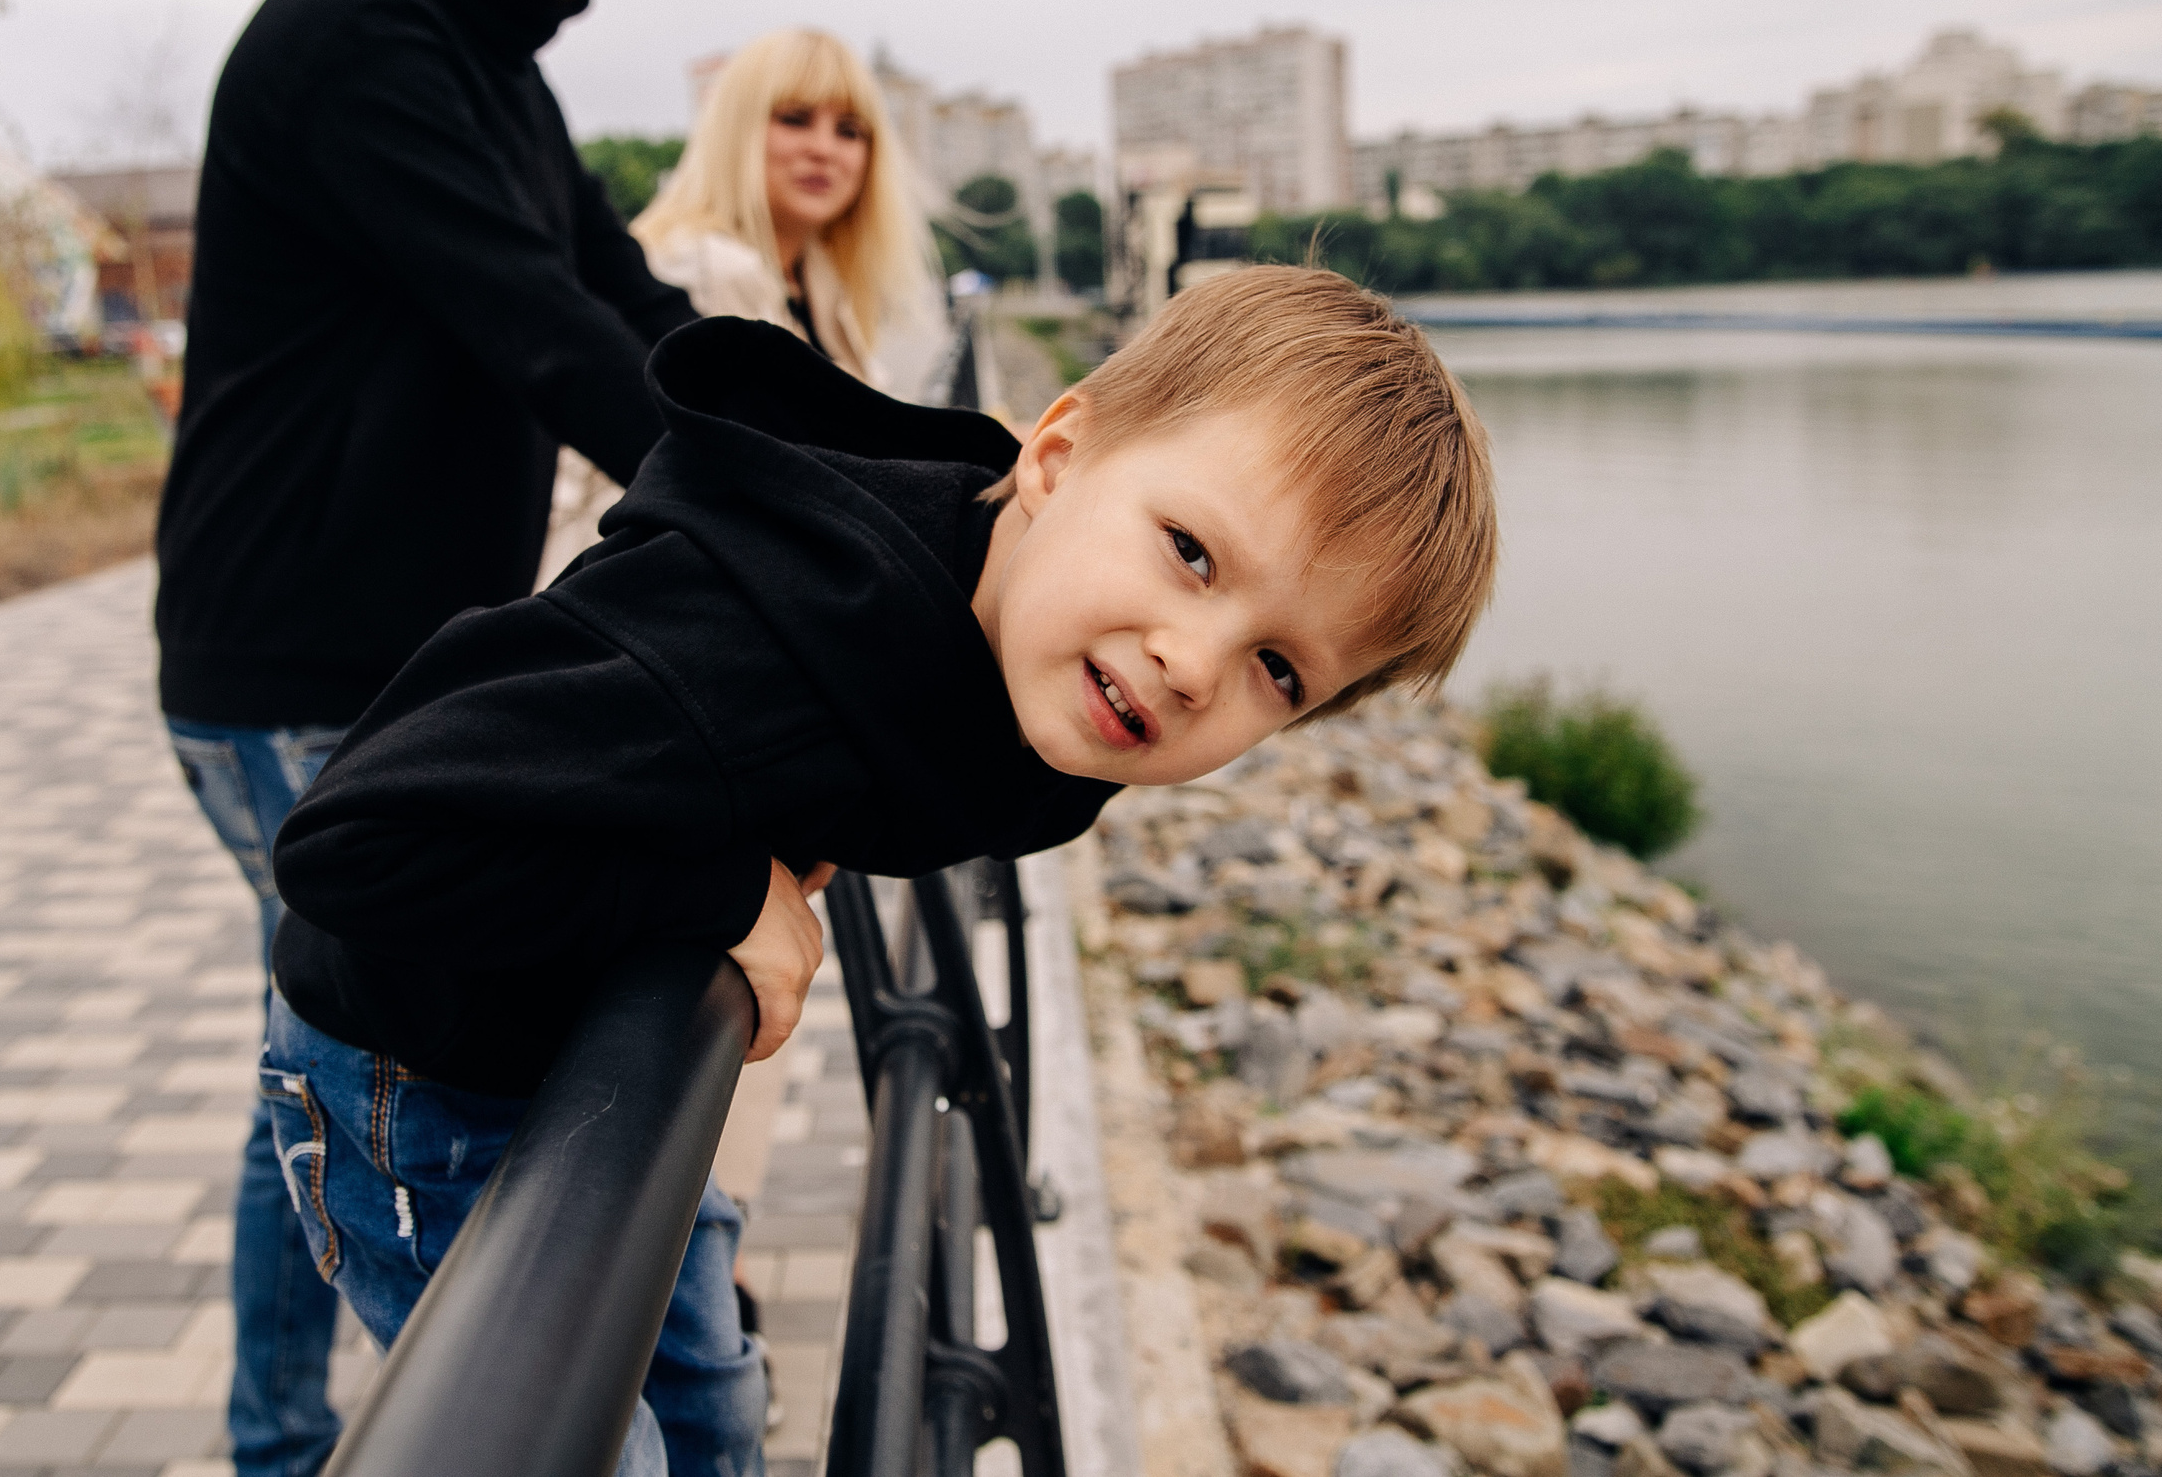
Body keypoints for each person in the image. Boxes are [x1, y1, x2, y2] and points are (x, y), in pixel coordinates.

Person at [263, 265, 1500, 1473]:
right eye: (1190, 551)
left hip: (580, 1042)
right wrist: (704, 891)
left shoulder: (1040, 667)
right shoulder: (738, 640)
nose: (1192, 663)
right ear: (1055, 460)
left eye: (1279, 671)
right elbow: (349, 840)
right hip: (409, 1062)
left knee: (717, 1408)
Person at [150, 0, 695, 1474]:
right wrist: (774, 522)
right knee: (379, 1077)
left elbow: (636, 309)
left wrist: (858, 467)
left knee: (307, 1072)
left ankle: (273, 1442)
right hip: (303, 671)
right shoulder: (360, 36)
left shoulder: (497, 74)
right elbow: (542, 333)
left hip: (384, 667)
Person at [536, 26, 945, 584]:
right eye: (794, 119)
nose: (823, 149)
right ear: (737, 130)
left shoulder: (819, 283)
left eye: (849, 131)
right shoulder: (696, 269)